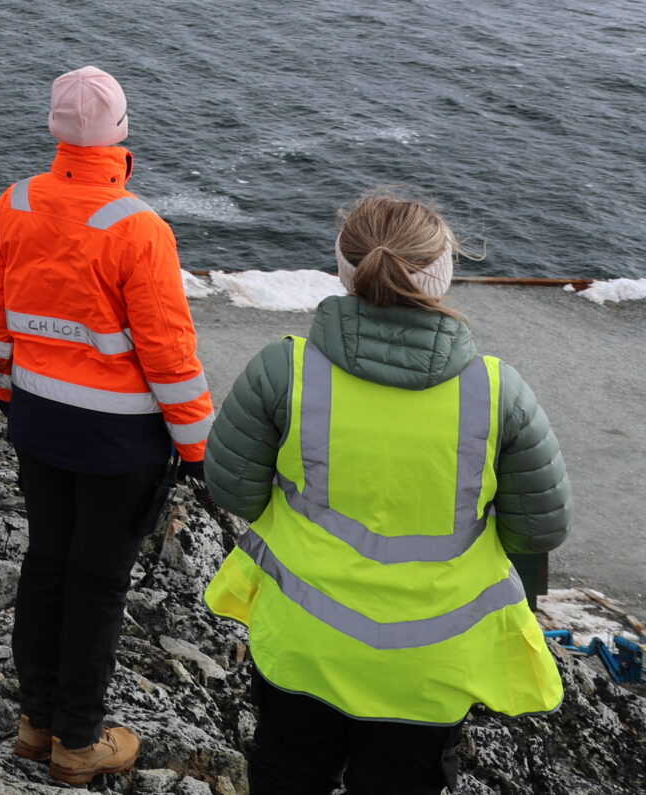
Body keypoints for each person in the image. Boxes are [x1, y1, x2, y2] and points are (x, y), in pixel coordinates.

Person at [205, 191, 568, 795]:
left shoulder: (284, 370)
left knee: (287, 776)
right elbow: (540, 530)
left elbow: (234, 491)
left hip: (302, 642)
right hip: (430, 661)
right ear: (441, 276)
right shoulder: (497, 392)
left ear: (344, 269)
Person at [0, 67, 212, 785]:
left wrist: (12, 394)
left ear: (53, 128)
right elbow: (168, 351)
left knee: (46, 562)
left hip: (40, 423)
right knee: (98, 583)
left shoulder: (11, 206)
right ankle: (79, 740)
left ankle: (36, 721)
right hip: (120, 443)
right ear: (122, 134)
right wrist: (196, 444)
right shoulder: (138, 227)